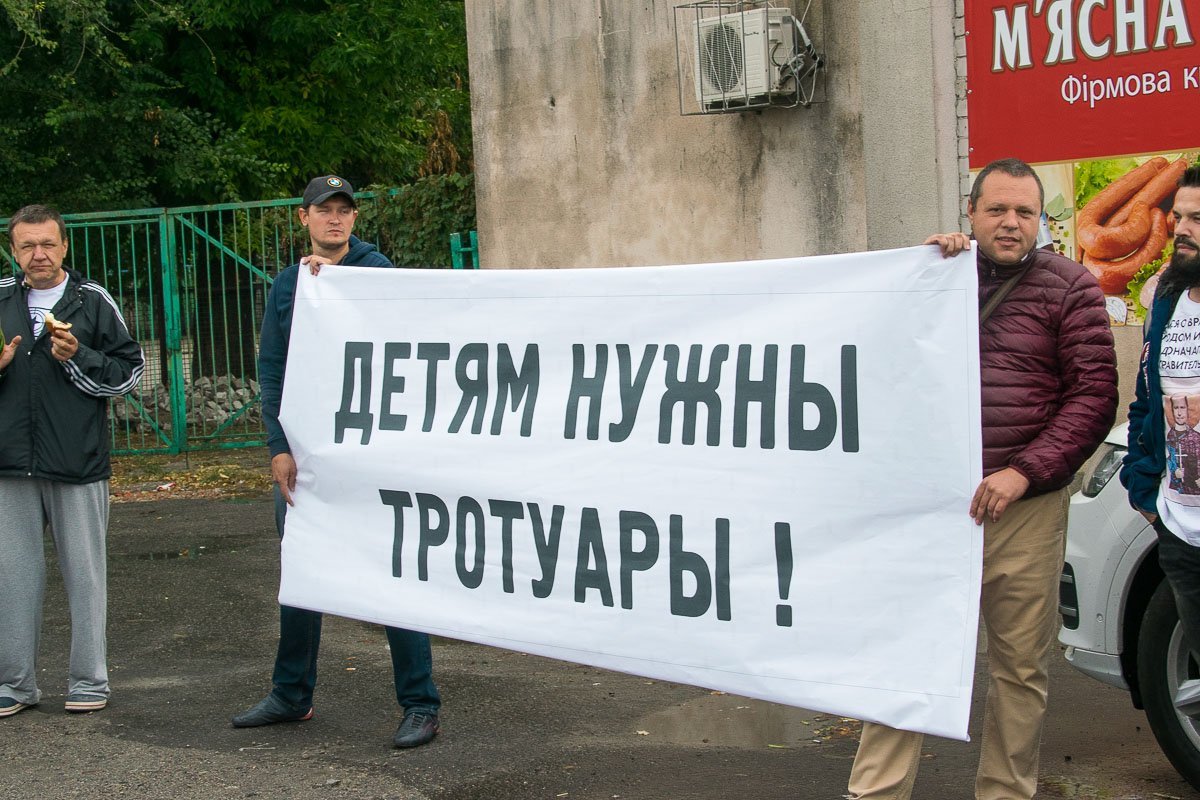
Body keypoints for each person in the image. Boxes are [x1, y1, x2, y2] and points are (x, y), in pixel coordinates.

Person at [846, 158, 1118, 799]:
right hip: (933, 507)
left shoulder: (1071, 288)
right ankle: (875, 792)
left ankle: (1006, 791)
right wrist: (920, 273)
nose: (1010, 222)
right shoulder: (940, 275)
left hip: (1022, 511)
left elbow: (1093, 398)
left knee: (1019, 668)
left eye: (1025, 211)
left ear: (1040, 220)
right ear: (970, 212)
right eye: (997, 209)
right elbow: (879, 357)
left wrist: (1025, 472)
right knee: (906, 654)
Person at [232, 175, 442, 749]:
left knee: (392, 571)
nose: (335, 218)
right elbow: (272, 370)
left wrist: (340, 286)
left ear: (354, 218)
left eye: (344, 210)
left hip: (372, 454)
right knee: (303, 573)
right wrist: (277, 446)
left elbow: (402, 339)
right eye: (324, 210)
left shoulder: (377, 272)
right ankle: (291, 694)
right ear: (303, 218)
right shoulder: (288, 283)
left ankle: (420, 703)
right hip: (308, 457)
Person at [0, 204, 145, 718]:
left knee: (85, 577)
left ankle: (89, 680)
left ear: (65, 246)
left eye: (48, 244)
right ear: (13, 250)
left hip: (78, 461)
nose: (38, 254)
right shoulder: (0, 298)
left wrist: (77, 356)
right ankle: (14, 684)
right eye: (27, 246)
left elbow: (130, 373)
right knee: (12, 578)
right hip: (9, 464)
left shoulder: (92, 300)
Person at [1121, 163, 1200, 673]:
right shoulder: (1167, 302)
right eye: (1179, 217)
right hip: (1181, 530)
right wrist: (1143, 489)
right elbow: (1146, 404)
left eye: (1198, 219)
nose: (1182, 229)